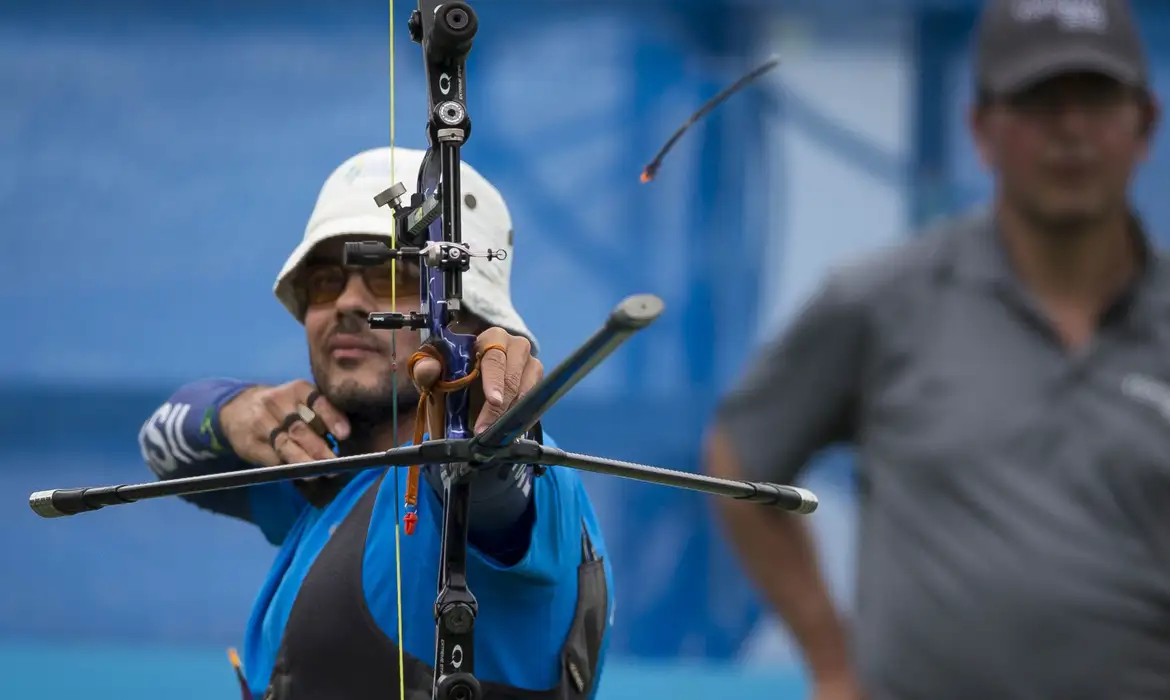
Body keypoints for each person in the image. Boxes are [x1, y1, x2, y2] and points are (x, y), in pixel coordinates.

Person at [705, 1, 1170, 699]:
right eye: (1040, 101)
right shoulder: (881, 301)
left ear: (1146, 124)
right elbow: (741, 456)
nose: (1072, 129)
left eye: (1097, 99)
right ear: (981, 129)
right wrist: (832, 662)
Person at [138, 146, 614, 700]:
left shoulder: (519, 486)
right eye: (325, 281)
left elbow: (490, 488)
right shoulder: (329, 469)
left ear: (470, 316)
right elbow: (164, 446)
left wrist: (485, 425)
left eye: (394, 275)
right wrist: (236, 410)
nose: (347, 302)